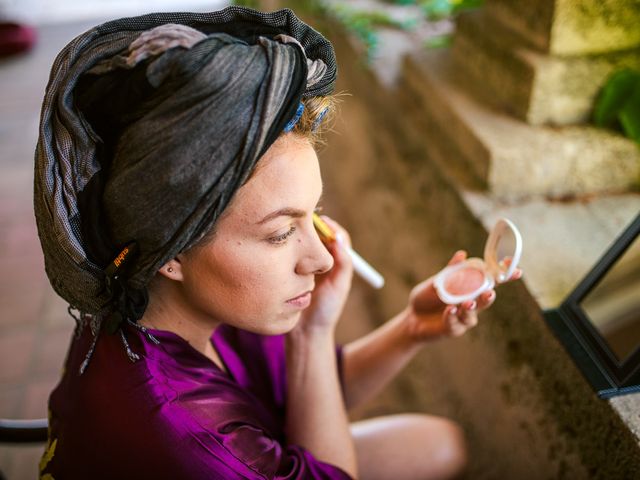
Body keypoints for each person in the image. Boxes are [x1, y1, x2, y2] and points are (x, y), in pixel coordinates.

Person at [34, 6, 521, 480]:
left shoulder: (174, 296)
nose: (323, 256)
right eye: (281, 232)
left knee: (439, 445)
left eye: (315, 215)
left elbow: (299, 396)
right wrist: (310, 336)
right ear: (172, 251)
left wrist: (412, 327)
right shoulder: (191, 440)